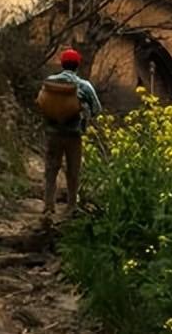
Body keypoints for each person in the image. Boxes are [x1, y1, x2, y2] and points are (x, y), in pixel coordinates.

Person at [42, 48, 102, 216]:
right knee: (73, 171)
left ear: (62, 64)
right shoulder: (83, 85)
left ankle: (48, 206)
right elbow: (97, 108)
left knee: (51, 169)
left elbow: (42, 102)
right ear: (77, 65)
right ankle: (71, 206)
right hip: (73, 134)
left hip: (52, 132)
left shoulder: (50, 81)